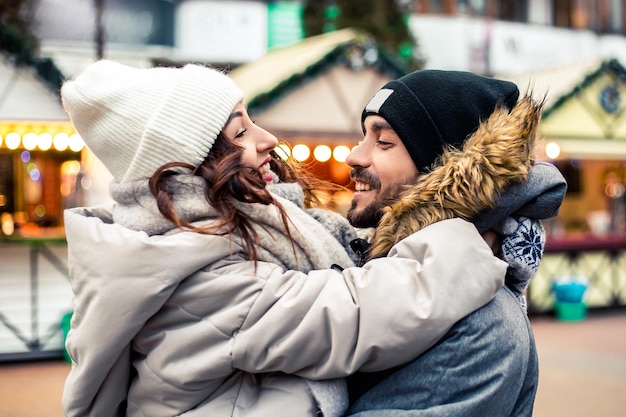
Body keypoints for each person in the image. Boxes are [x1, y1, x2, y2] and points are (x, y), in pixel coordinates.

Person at [59, 61, 510, 417]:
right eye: (240, 131)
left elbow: (349, 256)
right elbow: (354, 315)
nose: (267, 138)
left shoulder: (223, 234)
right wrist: (471, 238)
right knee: (493, 328)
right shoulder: (203, 275)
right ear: (193, 163)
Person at [343, 69, 567, 416]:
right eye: (363, 137)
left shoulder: (484, 326)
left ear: (440, 171)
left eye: (383, 142)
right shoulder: (393, 274)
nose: (353, 157)